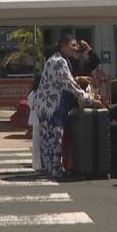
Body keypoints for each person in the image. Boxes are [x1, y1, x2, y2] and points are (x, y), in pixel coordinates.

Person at [33, 34, 94, 179]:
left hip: (46, 106)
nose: (76, 48)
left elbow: (63, 79)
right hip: (53, 106)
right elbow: (68, 83)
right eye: (73, 45)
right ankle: (56, 171)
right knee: (55, 139)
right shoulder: (59, 61)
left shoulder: (55, 59)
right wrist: (88, 99)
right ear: (64, 46)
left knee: (47, 139)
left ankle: (50, 169)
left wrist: (78, 79)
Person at [27, 75, 42, 172]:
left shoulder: (32, 94)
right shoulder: (40, 94)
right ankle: (39, 164)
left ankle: (36, 163)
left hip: (34, 119)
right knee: (39, 142)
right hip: (40, 119)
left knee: (35, 142)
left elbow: (29, 104)